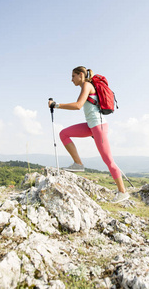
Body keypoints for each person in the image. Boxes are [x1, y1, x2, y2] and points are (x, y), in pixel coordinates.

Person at [48, 66, 130, 203]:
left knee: (108, 160)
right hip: (92, 126)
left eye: (73, 76)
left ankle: (122, 192)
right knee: (64, 133)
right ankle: (78, 164)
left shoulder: (87, 85)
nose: (71, 79)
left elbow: (78, 105)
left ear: (81, 75)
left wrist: (56, 105)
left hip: (99, 126)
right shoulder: (85, 86)